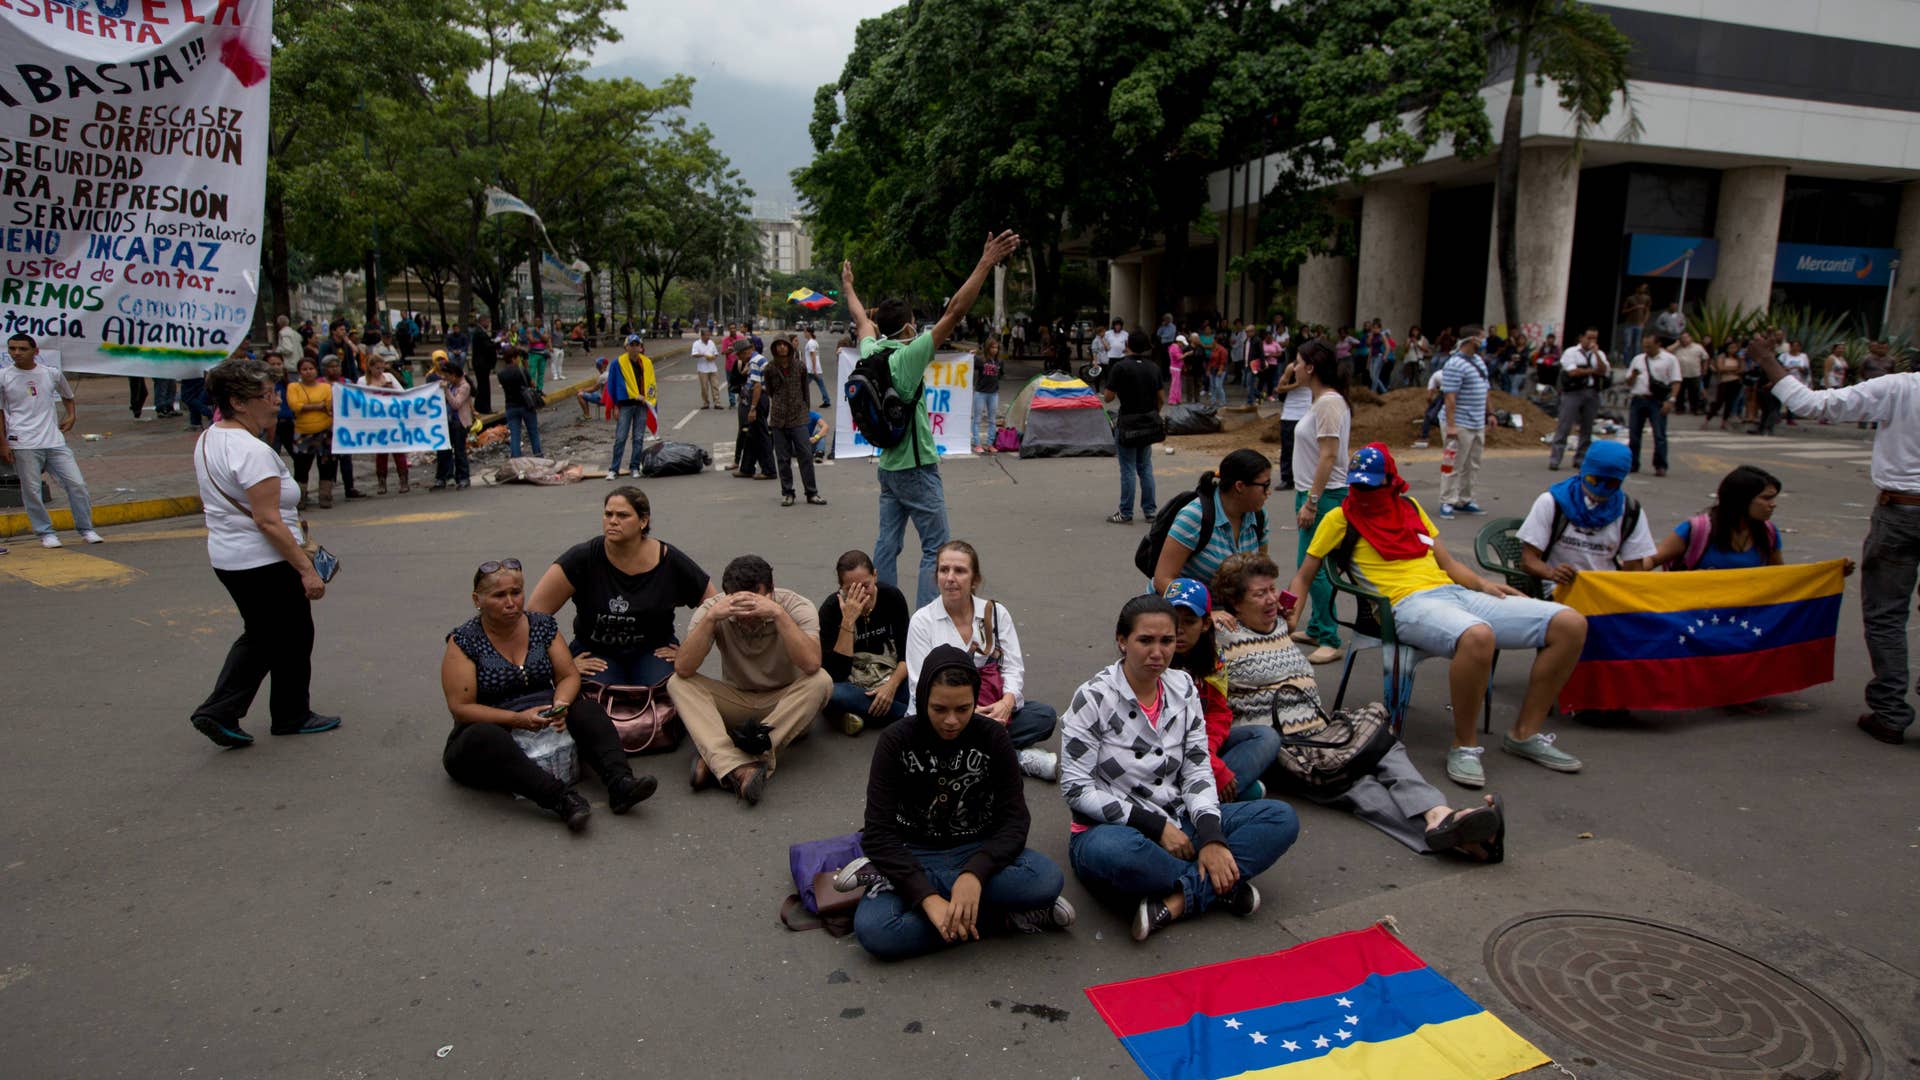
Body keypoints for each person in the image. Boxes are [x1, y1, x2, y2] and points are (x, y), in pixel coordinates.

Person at [1291, 444, 1587, 788]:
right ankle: (1465, 746)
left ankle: (1525, 733)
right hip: (1405, 606)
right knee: (1478, 636)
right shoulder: (1340, 517)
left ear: (1390, 481)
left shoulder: (1410, 508)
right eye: (1358, 485)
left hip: (1453, 594)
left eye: (1372, 485)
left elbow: (1446, 563)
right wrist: (1290, 613)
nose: (1364, 492)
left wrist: (1483, 585)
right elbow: (1304, 574)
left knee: (1569, 623)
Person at [1211, 554, 1505, 858]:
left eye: (1273, 589)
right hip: (1288, 748)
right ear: (1233, 602)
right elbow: (1176, 626)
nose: (1272, 599)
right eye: (1260, 594)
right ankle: (1460, 836)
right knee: (1357, 785)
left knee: (1385, 748)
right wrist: (1209, 615)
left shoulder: (1279, 625)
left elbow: (1287, 604)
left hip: (1324, 731)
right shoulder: (1219, 638)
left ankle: (1439, 814)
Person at [1061, 595, 1300, 941]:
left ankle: (1178, 900)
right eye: (1145, 640)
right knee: (1118, 855)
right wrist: (1155, 826)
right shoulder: (1093, 697)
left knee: (1281, 819)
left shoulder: (1183, 686)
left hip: (1182, 818)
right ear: (1122, 640)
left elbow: (1197, 768)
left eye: (1166, 641)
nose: (1157, 652)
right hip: (1114, 830)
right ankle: (1223, 885)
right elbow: (1075, 789)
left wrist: (1210, 837)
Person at [843, 644, 1074, 960]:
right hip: (915, 852)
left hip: (976, 850)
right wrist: (926, 897)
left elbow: (1015, 821)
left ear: (975, 700)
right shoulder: (895, 740)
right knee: (876, 930)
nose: (951, 721)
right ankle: (1006, 918)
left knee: (1046, 879)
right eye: (939, 709)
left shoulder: (993, 737)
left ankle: (895, 883)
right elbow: (878, 832)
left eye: (963, 709)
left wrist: (974, 874)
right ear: (923, 698)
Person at [842, 230, 1019, 608]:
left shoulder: (872, 350)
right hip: (917, 470)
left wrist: (848, 286)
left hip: (888, 467)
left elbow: (860, 321)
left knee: (886, 544)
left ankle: (882, 610)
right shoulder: (908, 357)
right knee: (934, 548)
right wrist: (986, 261)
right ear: (908, 327)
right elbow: (955, 311)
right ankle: (925, 619)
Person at [1756, 350, 1913, 741]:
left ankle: (1891, 711)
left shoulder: (1901, 388)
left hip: (1902, 511)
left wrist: (1766, 360)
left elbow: (1811, 403)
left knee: (1887, 614)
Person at [186, 356, 339, 747]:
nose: (276, 402)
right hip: (263, 561)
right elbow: (267, 520)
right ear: (238, 402)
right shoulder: (250, 452)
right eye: (267, 395)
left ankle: (291, 712)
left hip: (231, 557)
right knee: (268, 637)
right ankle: (221, 709)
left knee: (285, 635)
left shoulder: (211, 437)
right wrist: (305, 568)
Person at [440, 558, 657, 831]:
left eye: (516, 592)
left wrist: (561, 704)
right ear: (477, 599)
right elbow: (461, 707)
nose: (511, 602)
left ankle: (621, 783)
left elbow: (568, 675)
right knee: (487, 736)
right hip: (488, 730)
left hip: (544, 715)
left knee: (587, 710)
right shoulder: (463, 641)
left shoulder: (542, 626)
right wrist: (515, 719)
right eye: (499, 595)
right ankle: (561, 800)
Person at [668, 555, 833, 806]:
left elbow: (812, 663)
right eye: (738, 603)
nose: (747, 612)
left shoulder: (796, 606)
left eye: (754, 601)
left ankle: (720, 760)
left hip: (785, 707)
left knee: (821, 681)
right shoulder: (714, 609)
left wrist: (778, 615)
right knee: (677, 683)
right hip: (737, 701)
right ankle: (741, 766)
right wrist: (711, 619)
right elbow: (683, 667)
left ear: (771, 589)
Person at [529, 486, 716, 689]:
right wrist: (563, 665)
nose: (613, 521)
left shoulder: (670, 561)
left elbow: (715, 605)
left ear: (643, 521)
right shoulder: (582, 558)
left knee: (666, 690)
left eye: (623, 515)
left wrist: (688, 652)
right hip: (595, 651)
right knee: (596, 696)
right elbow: (534, 615)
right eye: (608, 514)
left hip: (653, 650)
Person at [905, 541, 1060, 779]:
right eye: (943, 570)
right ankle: (1014, 758)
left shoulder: (996, 613)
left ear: (975, 579)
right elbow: (920, 689)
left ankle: (965, 757)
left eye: (960, 571)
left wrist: (1006, 704)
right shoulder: (922, 621)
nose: (950, 578)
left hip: (992, 708)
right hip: (944, 715)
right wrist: (969, 714)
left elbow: (1012, 668)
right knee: (922, 732)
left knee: (1044, 716)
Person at [1165, 577, 1280, 803]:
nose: (1178, 630)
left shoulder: (1213, 659)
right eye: (1172, 621)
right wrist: (1213, 765)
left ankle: (1201, 797)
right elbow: (1164, 732)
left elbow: (1217, 713)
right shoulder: (1154, 657)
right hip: (1163, 752)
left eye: (1189, 622)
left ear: (1205, 624)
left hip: (1200, 746)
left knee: (1265, 736)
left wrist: (1208, 757)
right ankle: (1211, 798)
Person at [0, 335, 101, 547]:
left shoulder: (50, 373)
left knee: (77, 485)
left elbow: (68, 395)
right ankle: (45, 532)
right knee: (32, 491)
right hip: (23, 442)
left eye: (22, 349)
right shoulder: (4, 376)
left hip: (54, 441)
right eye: (12, 349)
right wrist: (3, 443)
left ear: (35, 351)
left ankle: (86, 529)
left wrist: (71, 415)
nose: (16, 353)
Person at [1518, 441, 1656, 595]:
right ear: (1583, 471)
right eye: (1593, 480)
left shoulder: (1630, 511)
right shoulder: (1552, 502)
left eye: (1611, 483)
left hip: (1605, 592)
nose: (1600, 489)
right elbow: (1528, 560)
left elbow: (1634, 570)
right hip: (1559, 590)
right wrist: (1552, 573)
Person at [1151, 447, 1272, 595]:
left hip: (1230, 612)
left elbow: (1261, 574)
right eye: (1264, 486)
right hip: (1186, 611)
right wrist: (1205, 612)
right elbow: (1163, 579)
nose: (1268, 492)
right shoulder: (1195, 516)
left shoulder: (1259, 516)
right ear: (1240, 486)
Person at [819, 550, 913, 735]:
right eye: (851, 590)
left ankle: (859, 715)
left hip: (889, 674)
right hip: (852, 682)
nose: (861, 595)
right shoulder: (831, 609)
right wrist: (848, 621)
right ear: (840, 588)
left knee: (923, 682)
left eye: (866, 586)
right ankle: (908, 715)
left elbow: (908, 655)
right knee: (831, 694)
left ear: (875, 576)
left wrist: (890, 687)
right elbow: (836, 674)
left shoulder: (892, 597)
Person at [1649, 465, 1788, 572]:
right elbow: (1651, 560)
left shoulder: (1768, 532)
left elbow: (1779, 576)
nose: (1773, 504)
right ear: (1742, 499)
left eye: (1773, 498)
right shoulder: (1697, 530)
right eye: (1766, 498)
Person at [1104, 330, 1163, 525]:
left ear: (1127, 345)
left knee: (1128, 468)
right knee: (1145, 467)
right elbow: (1160, 398)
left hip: (1128, 421)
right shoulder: (1154, 368)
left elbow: (1108, 397)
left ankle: (1126, 511)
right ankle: (1150, 511)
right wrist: (1154, 412)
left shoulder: (1120, 367)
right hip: (1148, 421)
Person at [762, 337, 827, 507]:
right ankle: (787, 493)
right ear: (774, 349)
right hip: (778, 419)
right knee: (783, 459)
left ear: (789, 348)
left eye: (784, 345)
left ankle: (812, 493)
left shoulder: (800, 366)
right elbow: (769, 391)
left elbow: (805, 391)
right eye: (778, 346)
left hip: (798, 417)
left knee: (805, 456)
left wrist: (804, 410)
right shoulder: (769, 369)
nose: (782, 348)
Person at [1437, 327, 1490, 519]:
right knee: (1453, 464)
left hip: (1476, 423)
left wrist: (1490, 413)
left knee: (1472, 464)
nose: (1484, 341)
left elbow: (1485, 390)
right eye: (1482, 337)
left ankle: (1465, 499)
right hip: (1459, 423)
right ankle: (1447, 500)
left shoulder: (1478, 361)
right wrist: (1451, 425)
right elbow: (1449, 397)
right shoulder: (1454, 364)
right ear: (1472, 339)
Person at [1549, 327, 1611, 471]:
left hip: (1591, 392)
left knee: (1587, 428)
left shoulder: (1599, 354)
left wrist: (1596, 355)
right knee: (1564, 425)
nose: (1591, 341)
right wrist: (1591, 371)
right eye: (1589, 338)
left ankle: (1580, 458)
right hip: (1573, 392)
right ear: (1581, 338)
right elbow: (1572, 372)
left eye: (1594, 338)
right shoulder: (1571, 353)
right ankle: (1555, 458)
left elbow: (1604, 371)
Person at [285, 357, 338, 509]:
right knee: (302, 466)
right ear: (300, 372)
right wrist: (317, 406)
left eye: (311, 368)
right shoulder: (293, 387)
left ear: (316, 370)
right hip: (303, 432)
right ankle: (300, 498)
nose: (308, 372)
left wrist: (307, 406)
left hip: (325, 432)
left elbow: (328, 405)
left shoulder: (325, 387)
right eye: (304, 369)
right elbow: (295, 406)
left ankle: (325, 497)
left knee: (327, 464)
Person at [1625, 332, 1680, 476]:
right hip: (1638, 399)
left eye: (1649, 346)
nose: (1646, 349)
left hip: (1657, 401)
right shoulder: (1638, 359)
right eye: (1644, 346)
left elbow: (1676, 381)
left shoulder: (1670, 359)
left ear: (1658, 344)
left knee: (1659, 435)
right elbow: (1628, 382)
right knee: (1634, 434)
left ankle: (1660, 465)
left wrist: (1671, 400)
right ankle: (1633, 463)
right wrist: (1634, 375)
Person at [356, 355, 411, 493]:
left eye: (382, 367)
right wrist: (378, 389)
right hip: (377, 422)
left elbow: (402, 394)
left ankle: (403, 481)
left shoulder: (389, 377)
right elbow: (360, 399)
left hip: (392, 419)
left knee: (398, 451)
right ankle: (382, 482)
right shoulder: (362, 381)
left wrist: (391, 388)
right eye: (377, 368)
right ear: (370, 367)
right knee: (381, 453)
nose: (380, 371)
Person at [605, 336, 656, 480]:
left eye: (637, 345)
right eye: (631, 345)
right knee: (620, 437)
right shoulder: (618, 363)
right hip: (625, 405)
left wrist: (649, 399)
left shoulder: (646, 363)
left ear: (641, 347)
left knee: (638, 438)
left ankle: (634, 467)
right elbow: (613, 386)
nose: (634, 348)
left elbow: (651, 382)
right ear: (626, 347)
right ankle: (614, 469)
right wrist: (615, 406)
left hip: (641, 405)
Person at [730, 337, 777, 481]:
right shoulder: (758, 359)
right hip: (760, 398)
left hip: (758, 399)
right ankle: (747, 468)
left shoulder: (754, 362)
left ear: (747, 351)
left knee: (762, 436)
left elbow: (757, 386)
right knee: (751, 435)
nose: (739, 358)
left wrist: (752, 408)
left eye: (739, 354)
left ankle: (769, 470)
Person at [433, 362, 474, 491]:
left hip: (459, 423)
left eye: (447, 376)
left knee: (459, 451)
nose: (445, 379)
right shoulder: (451, 385)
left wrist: (446, 391)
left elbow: (456, 404)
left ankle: (463, 478)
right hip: (447, 422)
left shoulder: (464, 387)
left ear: (454, 375)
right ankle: (442, 477)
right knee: (443, 451)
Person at [1274, 341, 1310, 486]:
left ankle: (1303, 476)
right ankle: (1286, 478)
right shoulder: (1292, 367)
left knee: (1306, 448)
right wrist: (1297, 384)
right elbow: (1280, 388)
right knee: (1288, 448)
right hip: (1291, 413)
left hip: (1307, 413)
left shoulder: (1315, 368)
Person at [496, 347, 541, 458]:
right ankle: (538, 456)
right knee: (533, 432)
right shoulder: (522, 370)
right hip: (526, 405)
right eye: (518, 357)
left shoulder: (501, 374)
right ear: (514, 358)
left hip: (511, 406)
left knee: (515, 435)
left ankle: (516, 459)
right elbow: (532, 384)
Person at [1703, 340, 1744, 429]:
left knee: (1729, 403)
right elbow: (1721, 368)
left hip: (1735, 382)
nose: (1733, 350)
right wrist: (1734, 369)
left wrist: (1730, 369)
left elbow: (1742, 369)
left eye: (1735, 348)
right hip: (1724, 382)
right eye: (1731, 348)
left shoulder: (1738, 358)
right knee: (1719, 402)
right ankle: (1707, 420)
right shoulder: (1722, 357)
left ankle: (1724, 422)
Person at [972, 338, 1003, 453]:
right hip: (980, 393)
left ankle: (990, 444)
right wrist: (971, 356)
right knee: (977, 419)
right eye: (992, 347)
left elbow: (1000, 375)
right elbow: (969, 364)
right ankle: (977, 444)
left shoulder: (999, 362)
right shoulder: (981, 360)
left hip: (993, 393)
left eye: (996, 347)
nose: (994, 350)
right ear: (987, 348)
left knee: (992, 420)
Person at [1672, 331, 1709, 415]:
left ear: (1690, 338)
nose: (1684, 339)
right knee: (1680, 393)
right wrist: (1676, 344)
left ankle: (1695, 408)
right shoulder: (1677, 348)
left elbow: (1705, 358)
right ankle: (1680, 408)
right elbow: (1667, 351)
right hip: (1680, 375)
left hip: (1694, 374)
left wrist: (1705, 369)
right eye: (1682, 338)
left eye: (1686, 337)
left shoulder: (1698, 347)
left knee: (1694, 393)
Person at [1411, 364, 1445, 449]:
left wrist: (1431, 406)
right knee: (1431, 415)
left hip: (1445, 394)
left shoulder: (1433, 378)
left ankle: (1424, 437)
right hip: (1449, 393)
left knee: (1429, 415)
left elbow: (1429, 397)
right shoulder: (1440, 375)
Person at [469, 318, 496, 414]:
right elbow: (487, 346)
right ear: (482, 322)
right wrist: (498, 341)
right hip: (482, 363)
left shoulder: (480, 332)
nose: (488, 323)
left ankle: (479, 406)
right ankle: (484, 407)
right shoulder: (479, 332)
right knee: (484, 386)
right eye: (487, 321)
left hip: (482, 363)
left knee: (482, 386)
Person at [691, 327, 722, 409]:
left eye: (709, 335)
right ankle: (706, 403)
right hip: (702, 369)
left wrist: (713, 357)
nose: (708, 337)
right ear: (702, 336)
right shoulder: (696, 344)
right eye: (706, 335)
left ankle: (717, 403)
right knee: (704, 387)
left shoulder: (711, 342)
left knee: (715, 386)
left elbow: (716, 353)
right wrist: (704, 355)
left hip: (712, 368)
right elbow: (694, 354)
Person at [1620, 284, 1651, 357]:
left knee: (1637, 345)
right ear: (1637, 288)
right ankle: (1627, 362)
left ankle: (1635, 361)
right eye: (1642, 288)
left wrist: (1644, 322)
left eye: (1645, 289)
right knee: (1628, 344)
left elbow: (1647, 311)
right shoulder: (1630, 298)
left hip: (1639, 324)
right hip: (1629, 324)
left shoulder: (1647, 298)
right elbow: (1623, 311)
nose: (1644, 290)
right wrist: (1635, 308)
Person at [803, 328, 831, 408]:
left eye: (805, 332)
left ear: (809, 333)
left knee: (803, 385)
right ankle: (827, 400)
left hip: (811, 370)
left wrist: (814, 369)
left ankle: (802, 401)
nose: (804, 334)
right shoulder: (814, 341)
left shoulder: (811, 343)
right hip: (816, 369)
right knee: (821, 385)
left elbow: (813, 356)